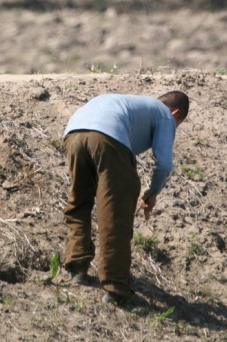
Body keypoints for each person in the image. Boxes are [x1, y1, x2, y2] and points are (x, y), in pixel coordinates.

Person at [60, 91, 189, 305]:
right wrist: (153, 192)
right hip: (107, 138)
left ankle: (76, 267)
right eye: (178, 124)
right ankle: (116, 287)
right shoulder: (165, 115)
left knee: (80, 201)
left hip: (73, 134)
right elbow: (165, 163)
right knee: (115, 213)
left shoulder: (134, 105)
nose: (173, 129)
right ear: (175, 112)